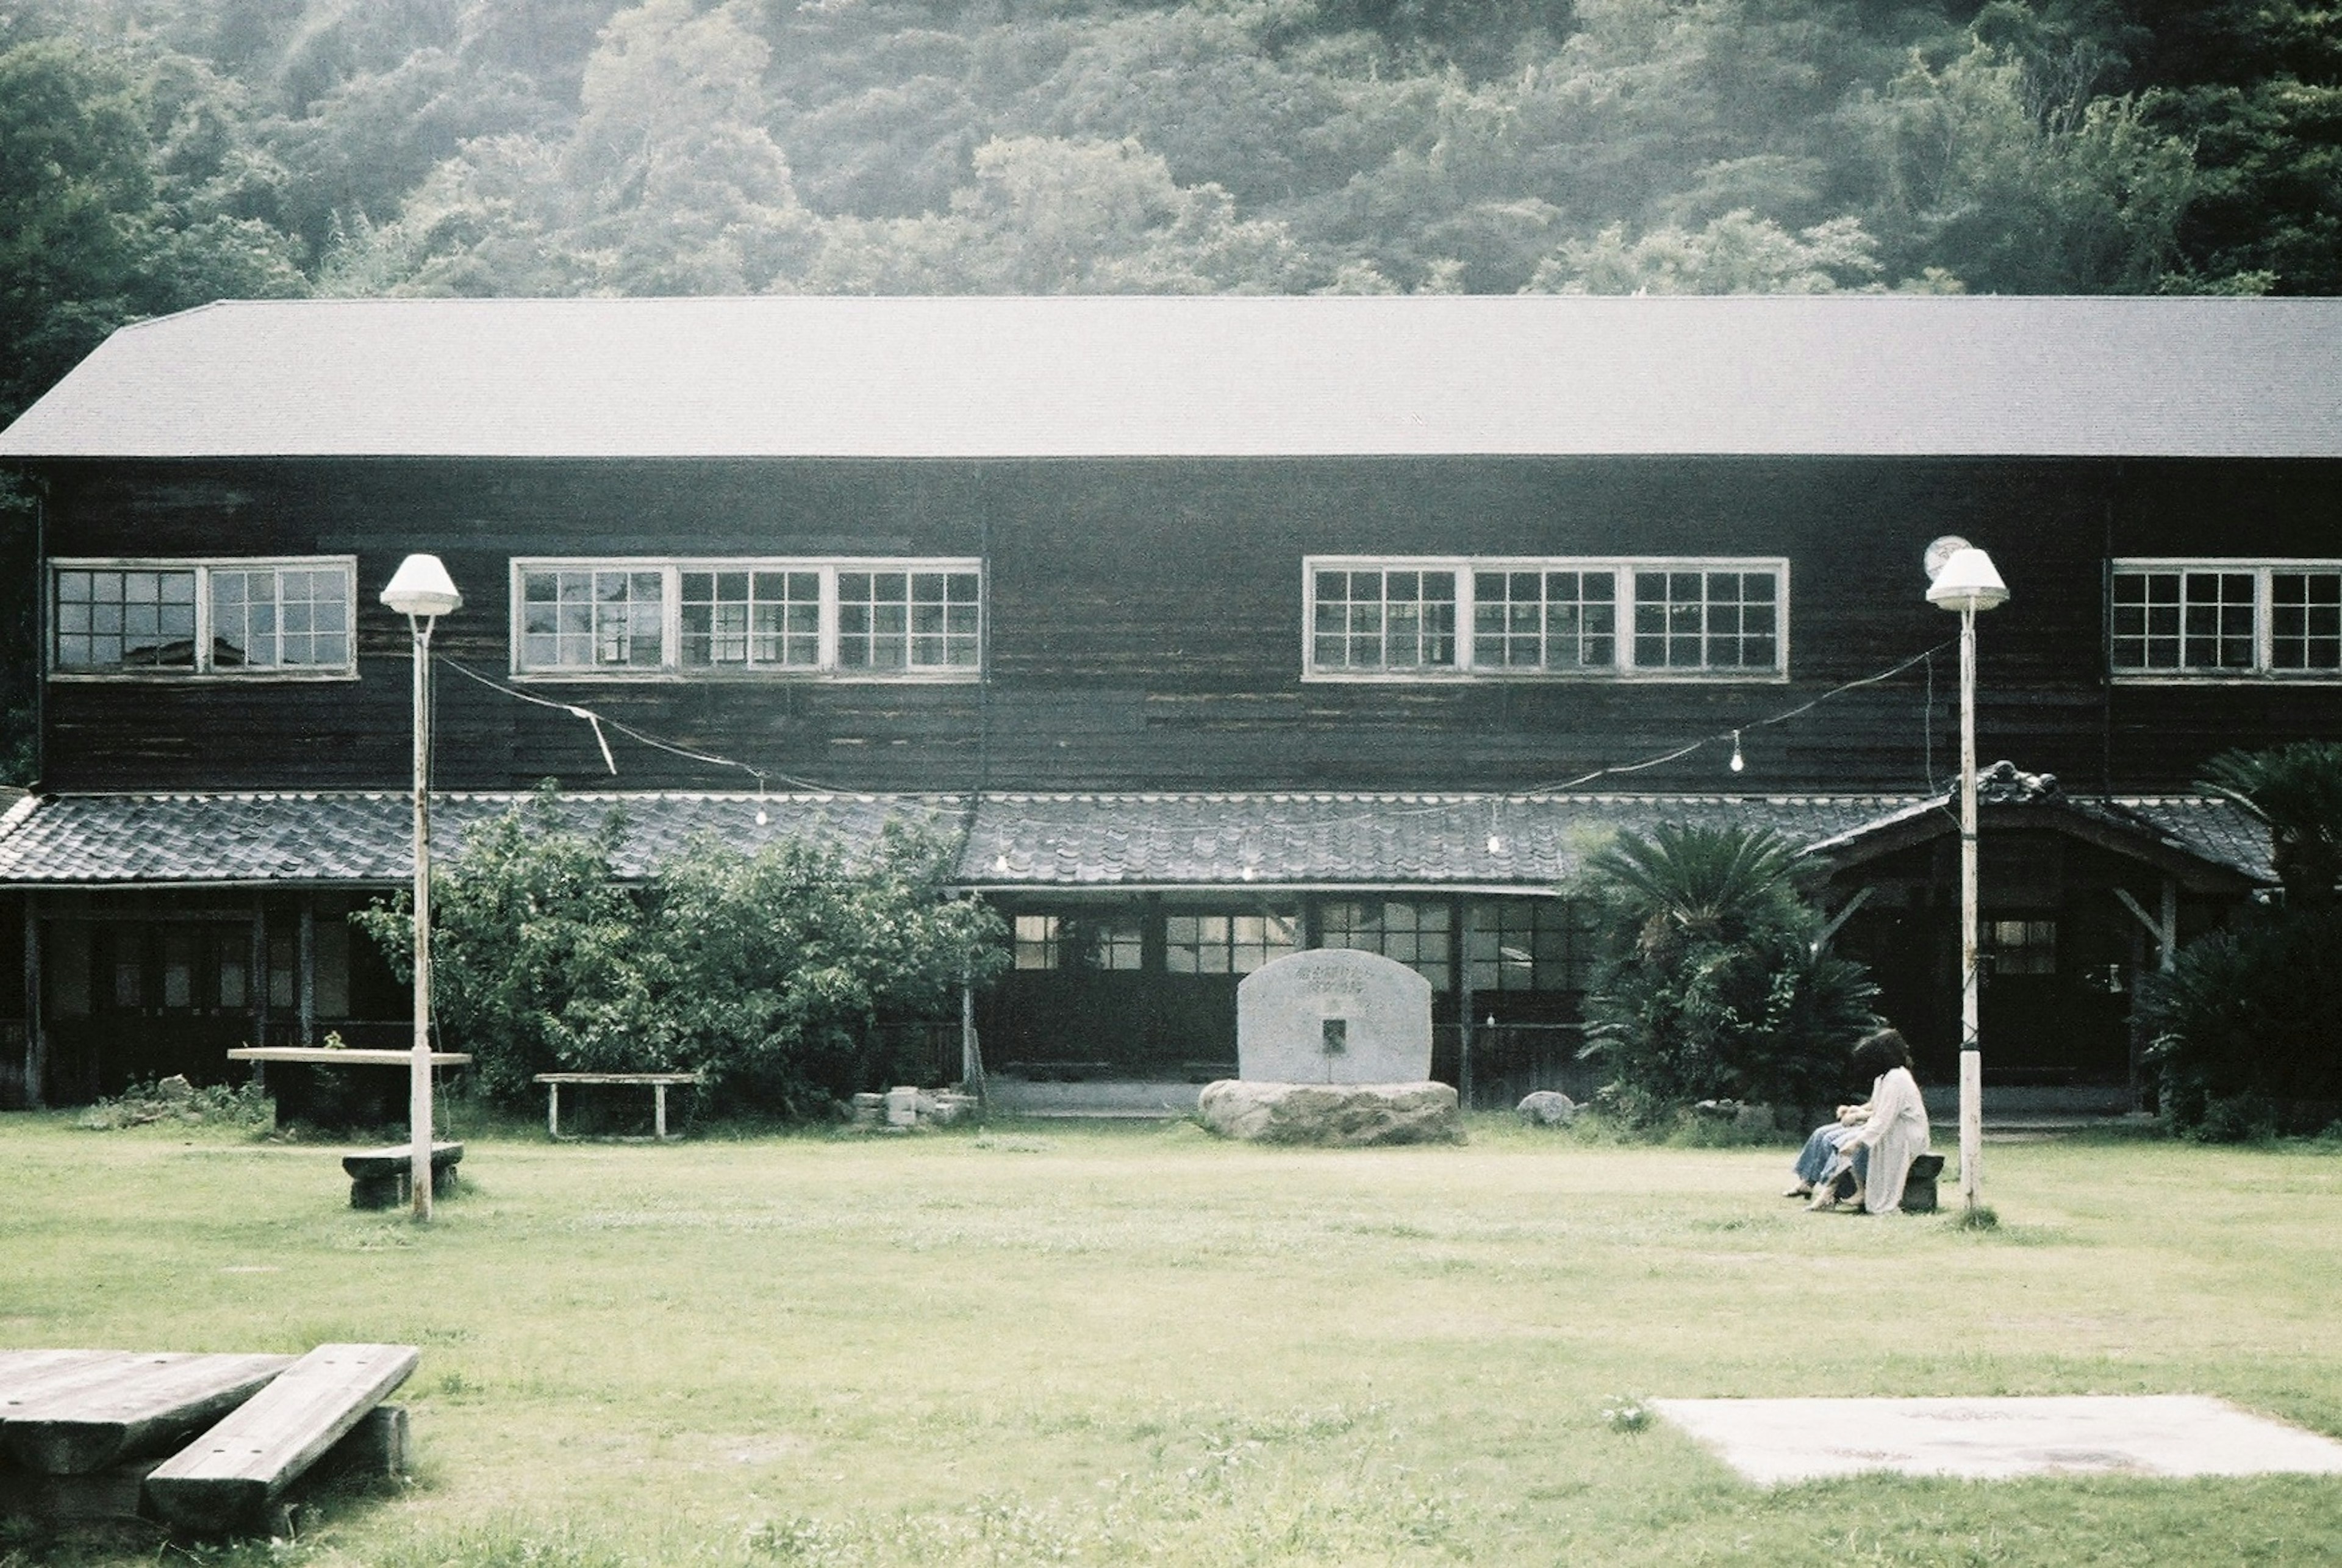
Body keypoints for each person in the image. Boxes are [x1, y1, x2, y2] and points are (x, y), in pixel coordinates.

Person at [1796, 1028, 1932, 1214]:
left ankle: (1842, 1192)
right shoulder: (1885, 1078)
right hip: (1891, 1128)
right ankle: (1831, 1191)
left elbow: (1883, 1119)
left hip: (1906, 1135)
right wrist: (1856, 1110)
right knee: (1835, 1138)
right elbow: (1877, 1106)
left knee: (1852, 1143)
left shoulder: (1897, 1079)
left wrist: (1858, 1140)